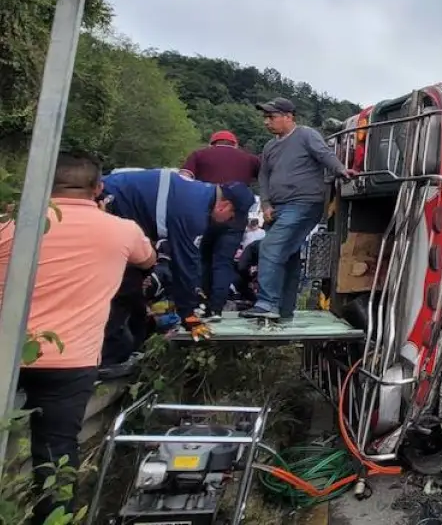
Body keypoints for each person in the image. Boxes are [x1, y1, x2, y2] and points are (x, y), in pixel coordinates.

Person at [0, 151, 156, 522]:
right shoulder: (121, 229)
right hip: (71, 362)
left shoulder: (10, 225)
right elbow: (147, 260)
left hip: (7, 352)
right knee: (56, 453)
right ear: (98, 188)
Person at [241, 97, 355, 323]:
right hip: (277, 207)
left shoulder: (306, 135)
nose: (266, 122)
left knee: (270, 248)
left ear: (288, 117)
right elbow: (264, 177)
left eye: (271, 117)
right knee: (288, 256)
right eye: (265, 117)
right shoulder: (270, 146)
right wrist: (265, 204)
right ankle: (284, 312)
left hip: (303, 204)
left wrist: (341, 170)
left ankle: (266, 303)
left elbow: (324, 155)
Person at [100, 168, 256, 333]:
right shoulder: (193, 213)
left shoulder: (201, 194)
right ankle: (112, 348)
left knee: (133, 283)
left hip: (117, 199)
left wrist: (194, 294)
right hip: (108, 201)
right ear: (224, 206)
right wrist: (189, 315)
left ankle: (129, 335)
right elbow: (185, 264)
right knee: (123, 285)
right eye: (232, 217)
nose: (229, 222)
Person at [180, 131, 261, 319]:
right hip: (236, 218)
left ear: (212, 143)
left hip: (204, 214)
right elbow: (268, 175)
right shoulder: (250, 159)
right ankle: (217, 309)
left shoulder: (199, 155)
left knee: (202, 260)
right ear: (235, 144)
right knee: (223, 263)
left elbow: (183, 179)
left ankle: (202, 304)